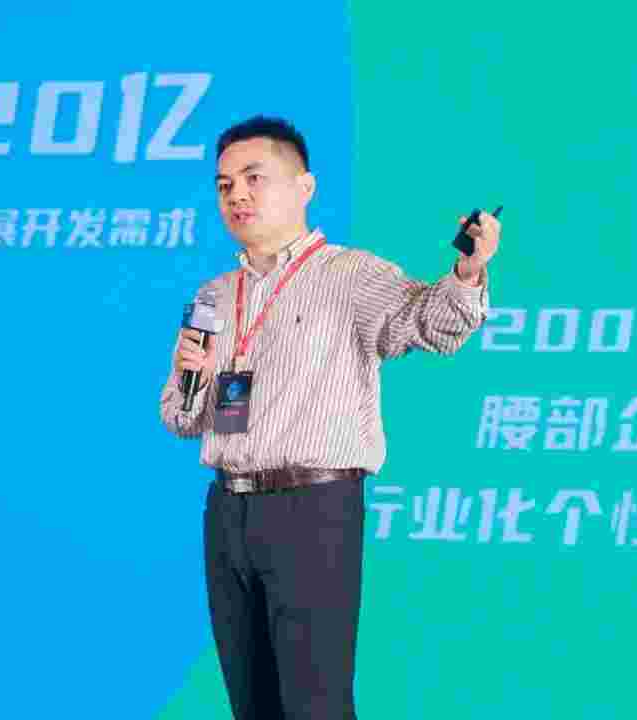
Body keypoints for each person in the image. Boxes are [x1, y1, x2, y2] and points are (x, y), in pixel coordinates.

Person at [159, 115, 500, 719]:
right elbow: (182, 419)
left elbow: (432, 323)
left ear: (304, 187)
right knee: (251, 704)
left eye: (254, 178)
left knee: (315, 703)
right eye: (225, 185)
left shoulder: (351, 275)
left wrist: (467, 272)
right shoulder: (214, 295)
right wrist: (194, 377)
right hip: (228, 510)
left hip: (312, 508)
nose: (237, 195)